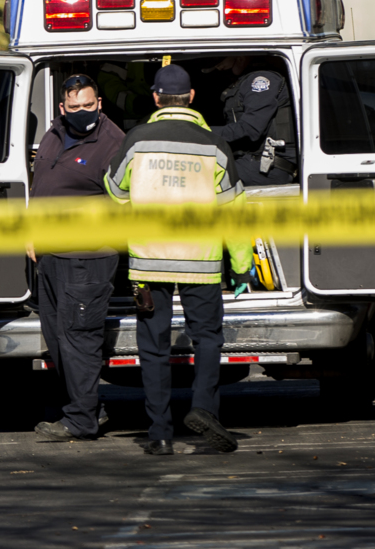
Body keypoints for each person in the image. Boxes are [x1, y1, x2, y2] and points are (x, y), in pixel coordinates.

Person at [105, 64, 255, 456]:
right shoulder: (214, 145)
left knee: (153, 347)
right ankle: (204, 409)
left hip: (148, 263)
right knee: (207, 339)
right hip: (201, 265)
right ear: (192, 98)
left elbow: (115, 189)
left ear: (155, 98)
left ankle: (159, 434)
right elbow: (235, 212)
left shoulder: (137, 140)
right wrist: (241, 265)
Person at [27, 74, 125, 442]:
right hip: (51, 254)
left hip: (87, 256)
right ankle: (86, 408)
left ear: (99, 104)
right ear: (61, 108)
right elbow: (42, 189)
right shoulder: (53, 134)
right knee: (57, 336)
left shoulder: (113, 143)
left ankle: (81, 420)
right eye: (75, 107)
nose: (82, 113)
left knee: (79, 338)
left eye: (89, 105)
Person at [211, 55, 297, 187]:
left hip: (264, 167)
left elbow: (251, 129)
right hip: (252, 163)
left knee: (199, 178)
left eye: (219, 60)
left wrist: (202, 132)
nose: (218, 67)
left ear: (240, 58)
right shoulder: (244, 81)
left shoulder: (261, 79)